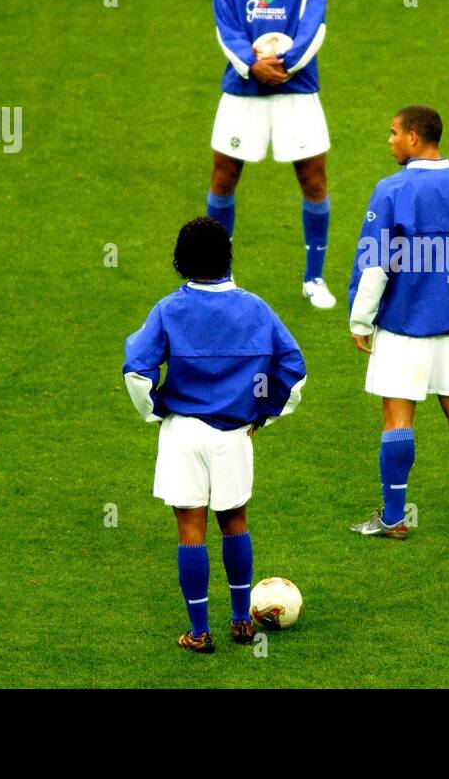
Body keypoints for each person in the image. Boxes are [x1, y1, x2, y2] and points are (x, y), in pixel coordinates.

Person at [123, 217, 307, 653]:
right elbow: (294, 372)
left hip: (184, 433)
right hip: (234, 435)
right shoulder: (255, 307)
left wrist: (156, 410)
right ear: (226, 256)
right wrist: (264, 415)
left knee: (191, 528)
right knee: (234, 522)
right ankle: (242, 620)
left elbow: (136, 371)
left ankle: (199, 630)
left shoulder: (169, 309)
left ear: (181, 259)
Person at [347, 106, 449, 539]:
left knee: (398, 419)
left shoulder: (391, 190)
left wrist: (361, 319)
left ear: (414, 137)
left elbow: (375, 265)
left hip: (402, 329)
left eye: (393, 133)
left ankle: (394, 517)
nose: (389, 140)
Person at [208, 0, 336, 309]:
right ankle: (217, 273)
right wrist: (250, 65)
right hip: (243, 89)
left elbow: (314, 25)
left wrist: (286, 65)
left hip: (296, 88)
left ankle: (314, 278)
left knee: (313, 177)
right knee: (224, 175)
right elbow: (225, 28)